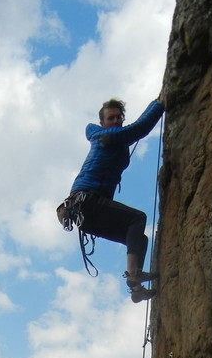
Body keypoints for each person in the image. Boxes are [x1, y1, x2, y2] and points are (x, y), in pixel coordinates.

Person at [64, 91, 164, 302]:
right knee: (137, 219)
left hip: (86, 213)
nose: (116, 120)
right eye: (111, 118)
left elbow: (133, 131)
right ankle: (134, 276)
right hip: (88, 202)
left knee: (138, 238)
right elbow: (140, 128)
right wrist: (159, 103)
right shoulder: (104, 137)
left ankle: (136, 290)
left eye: (119, 117)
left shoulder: (113, 139)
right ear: (103, 122)